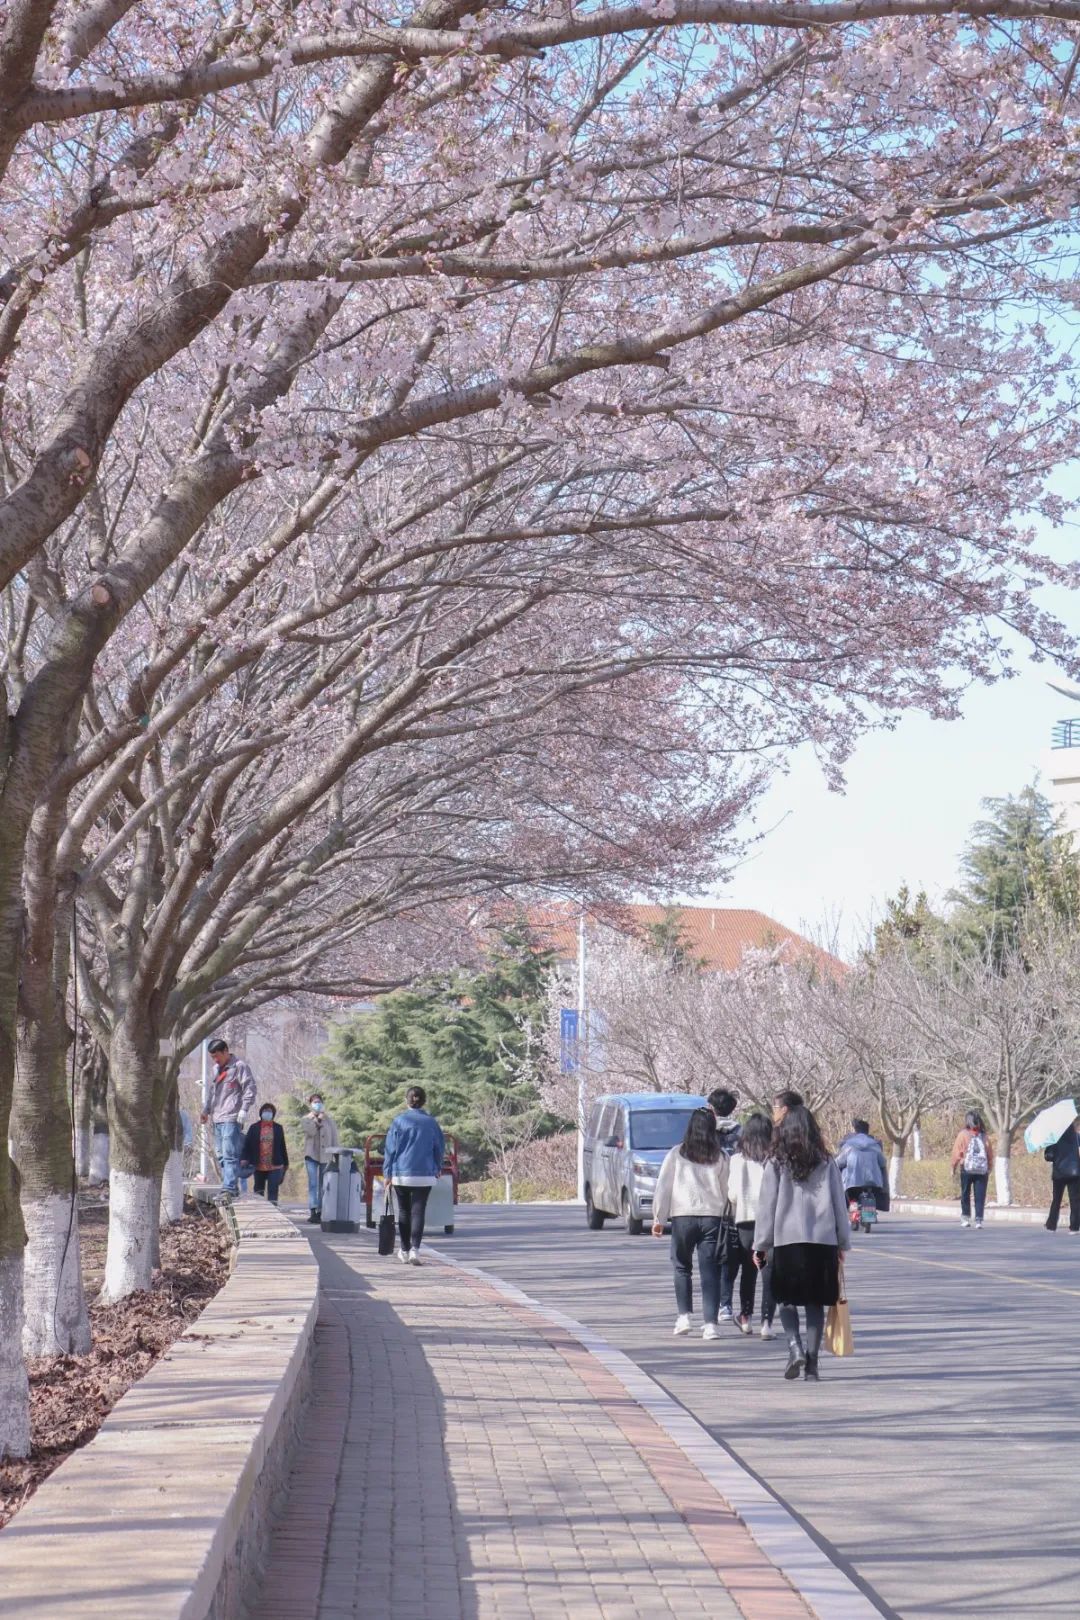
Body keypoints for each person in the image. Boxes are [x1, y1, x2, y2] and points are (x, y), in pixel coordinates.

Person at [753, 1103, 850, 1381]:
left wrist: (761, 1243)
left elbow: (766, 1206)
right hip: (822, 1241)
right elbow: (838, 1204)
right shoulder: (826, 1161)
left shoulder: (775, 1162)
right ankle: (813, 1365)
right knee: (815, 1303)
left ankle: (794, 1346)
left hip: (787, 1240)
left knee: (785, 1299)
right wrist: (843, 1242)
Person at [652, 1108, 730, 1341]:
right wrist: (729, 1215)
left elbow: (664, 1187)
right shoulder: (721, 1156)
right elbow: (727, 1191)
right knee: (710, 1272)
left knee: (681, 1267)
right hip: (712, 1218)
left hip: (683, 1216)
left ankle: (684, 1317)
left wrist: (659, 1218)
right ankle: (710, 1325)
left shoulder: (677, 1153)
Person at [383, 1085, 445, 1266]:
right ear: (424, 1101)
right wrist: (437, 1166)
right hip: (425, 1173)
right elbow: (439, 1148)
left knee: (404, 1211)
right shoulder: (431, 1123)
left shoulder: (398, 1121)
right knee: (419, 1211)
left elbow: (390, 1150)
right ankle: (415, 1250)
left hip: (401, 1173)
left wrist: (387, 1172)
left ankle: (403, 1249)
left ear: (406, 1100)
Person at [727, 1112, 777, 1338]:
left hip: (746, 1221)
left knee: (748, 1271)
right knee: (769, 1273)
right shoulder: (775, 1159)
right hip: (770, 1221)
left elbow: (733, 1195)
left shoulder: (737, 1160)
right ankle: (767, 1323)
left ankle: (745, 1317)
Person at [200, 1038, 257, 1196]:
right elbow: (212, 1093)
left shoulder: (240, 1067)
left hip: (232, 1117)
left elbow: (250, 1088)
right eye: (212, 1057)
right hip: (217, 1118)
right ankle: (231, 1186)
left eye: (217, 1055)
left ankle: (229, 1188)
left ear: (226, 1051)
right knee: (221, 1155)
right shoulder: (216, 1070)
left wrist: (244, 1109)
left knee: (230, 1153)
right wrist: (206, 1111)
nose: (215, 1059)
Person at [708, 1087, 742, 1325]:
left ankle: (714, 1305)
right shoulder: (742, 1133)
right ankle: (726, 1304)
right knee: (729, 1254)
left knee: (712, 1256)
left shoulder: (704, 1131)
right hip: (734, 1202)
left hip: (710, 1202)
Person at [950, 1110, 994, 1229]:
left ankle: (965, 1218)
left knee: (965, 1194)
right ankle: (979, 1220)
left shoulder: (963, 1134)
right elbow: (989, 1153)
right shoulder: (984, 1136)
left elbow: (956, 1152)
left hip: (966, 1168)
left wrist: (953, 1166)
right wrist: (989, 1167)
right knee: (980, 1195)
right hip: (981, 1170)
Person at [302, 1091, 341, 1225]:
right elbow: (310, 1132)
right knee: (313, 1184)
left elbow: (334, 1137)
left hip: (326, 1155)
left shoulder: (329, 1120)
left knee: (324, 1183)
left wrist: (337, 1154)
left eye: (319, 1102)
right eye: (315, 1102)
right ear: (310, 1104)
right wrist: (317, 1120)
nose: (317, 1104)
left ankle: (321, 1210)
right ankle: (313, 1210)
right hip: (311, 1154)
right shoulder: (306, 1119)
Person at [835, 1118, 887, 1215]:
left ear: (855, 1131)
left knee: (851, 1195)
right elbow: (883, 1162)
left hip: (852, 1182)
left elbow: (839, 1162)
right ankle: (870, 1210)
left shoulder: (849, 1145)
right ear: (867, 1131)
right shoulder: (875, 1145)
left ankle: (854, 1210)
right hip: (873, 1181)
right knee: (871, 1191)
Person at [240, 1103, 290, 1203]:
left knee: (273, 1190)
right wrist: (244, 1158)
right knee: (259, 1190)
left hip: (275, 1165)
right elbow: (247, 1145)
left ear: (273, 1114)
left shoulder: (278, 1128)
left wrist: (286, 1163)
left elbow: (282, 1146)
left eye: (270, 1111)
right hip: (259, 1164)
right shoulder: (254, 1127)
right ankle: (259, 1211)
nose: (267, 1113)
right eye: (265, 1111)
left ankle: (273, 1212)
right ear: (261, 1113)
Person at [1043, 1118, 1080, 1233]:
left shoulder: (1054, 1138)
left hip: (1059, 1173)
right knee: (1075, 1200)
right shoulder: (1076, 1137)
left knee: (1056, 1199)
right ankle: (1074, 1227)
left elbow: (1048, 1156)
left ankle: (1051, 1225)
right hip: (1075, 1172)